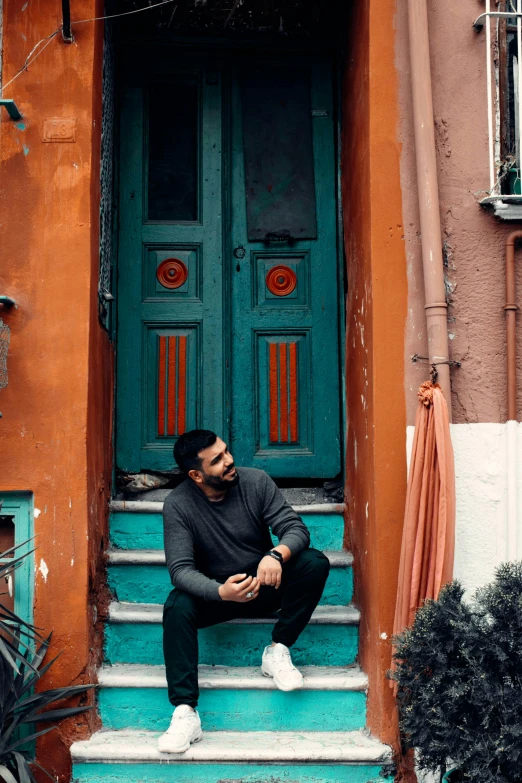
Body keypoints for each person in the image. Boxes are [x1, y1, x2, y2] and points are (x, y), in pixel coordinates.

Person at [158, 429, 330, 754]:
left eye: (226, 452)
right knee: (177, 605)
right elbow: (180, 570)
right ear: (196, 474)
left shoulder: (256, 481)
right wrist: (220, 591)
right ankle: (185, 713)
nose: (229, 461)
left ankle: (277, 650)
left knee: (313, 562)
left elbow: (295, 529)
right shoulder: (178, 505)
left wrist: (276, 554)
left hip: (265, 586)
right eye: (218, 460)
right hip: (219, 596)